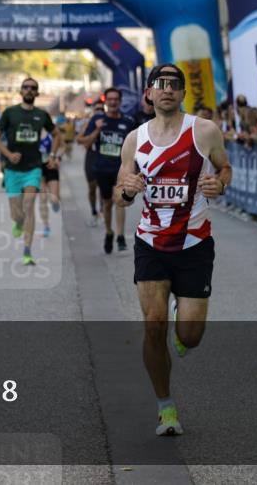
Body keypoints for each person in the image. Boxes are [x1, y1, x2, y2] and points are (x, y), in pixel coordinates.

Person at [114, 63, 232, 438]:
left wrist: (220, 184)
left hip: (194, 244)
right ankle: (166, 407)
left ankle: (184, 332)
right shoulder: (135, 139)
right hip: (151, 243)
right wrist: (128, 189)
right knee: (153, 326)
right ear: (148, 93)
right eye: (159, 84)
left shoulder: (203, 131)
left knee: (191, 335)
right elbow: (121, 194)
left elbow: (224, 168)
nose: (167, 90)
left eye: (174, 85)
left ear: (182, 93)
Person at [0, 77, 59, 266]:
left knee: (29, 205)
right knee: (17, 213)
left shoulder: (42, 114)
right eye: (26, 87)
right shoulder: (10, 113)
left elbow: (56, 135)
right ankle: (18, 222)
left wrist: (53, 155)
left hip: (33, 167)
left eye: (33, 88)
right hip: (12, 170)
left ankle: (27, 250)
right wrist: (8, 154)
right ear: (21, 92)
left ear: (37, 93)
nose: (29, 90)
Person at [78, 87, 136, 253]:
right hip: (101, 168)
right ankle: (109, 232)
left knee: (120, 201)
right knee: (108, 203)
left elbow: (134, 147)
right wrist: (97, 129)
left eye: (115, 99)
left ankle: (120, 236)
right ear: (105, 101)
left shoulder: (128, 122)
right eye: (109, 99)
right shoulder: (97, 118)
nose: (112, 102)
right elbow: (82, 141)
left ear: (120, 101)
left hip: (121, 169)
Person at [82, 101, 106, 226]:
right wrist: (96, 129)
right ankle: (93, 211)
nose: (100, 111)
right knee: (92, 188)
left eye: (102, 109)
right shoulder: (89, 123)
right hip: (91, 157)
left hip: (103, 157)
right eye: (97, 109)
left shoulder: (108, 121)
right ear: (93, 110)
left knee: (102, 188)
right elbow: (84, 143)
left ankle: (102, 211)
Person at [37, 129, 61, 238]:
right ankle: (46, 226)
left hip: (51, 167)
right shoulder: (33, 132)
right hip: (38, 168)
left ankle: (55, 202)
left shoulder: (52, 133)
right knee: (42, 199)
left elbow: (63, 146)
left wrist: (58, 158)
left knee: (54, 198)